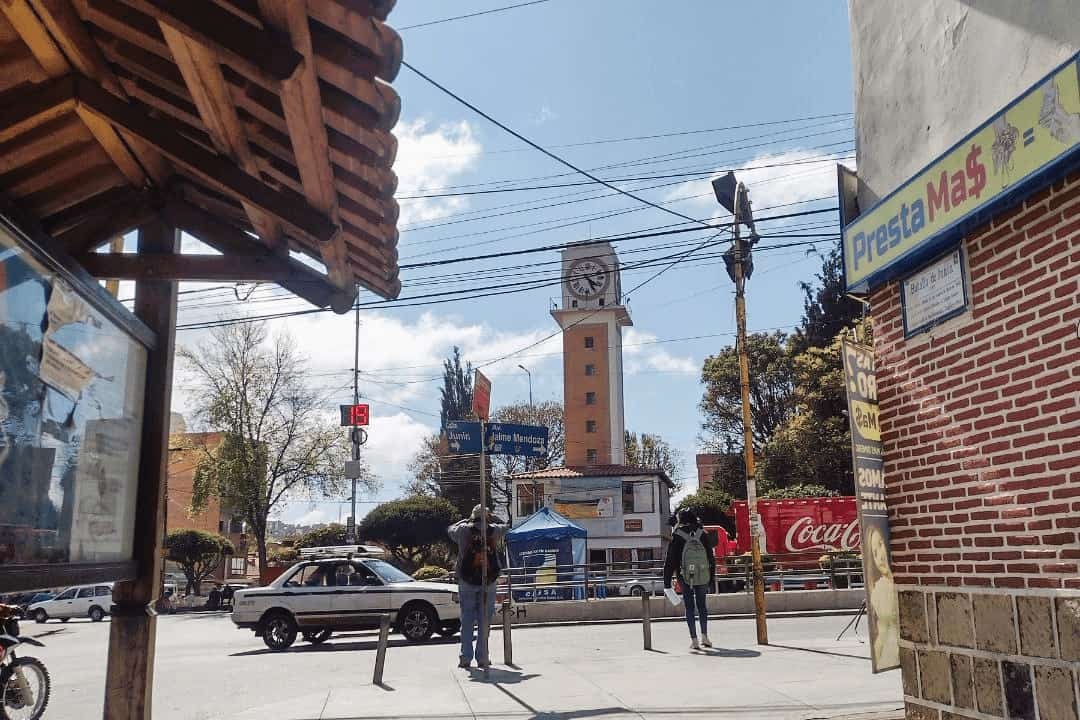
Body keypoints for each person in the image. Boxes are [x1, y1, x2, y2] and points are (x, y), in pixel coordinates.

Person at [448, 504, 508, 669]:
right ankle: (482, 657)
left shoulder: (462, 530)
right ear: (488, 516)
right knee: (485, 620)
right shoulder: (494, 530)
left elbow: (450, 529)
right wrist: (493, 518)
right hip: (488, 581)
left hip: (466, 580)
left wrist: (466, 520)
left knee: (466, 619)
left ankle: (465, 658)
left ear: (473, 516)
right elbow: (506, 526)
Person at [664, 509, 716, 650]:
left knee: (689, 607)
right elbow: (711, 558)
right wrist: (711, 577)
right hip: (703, 574)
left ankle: (694, 640)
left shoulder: (677, 535)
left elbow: (670, 560)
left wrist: (667, 582)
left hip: (684, 575)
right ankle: (705, 636)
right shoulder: (702, 534)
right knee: (702, 606)